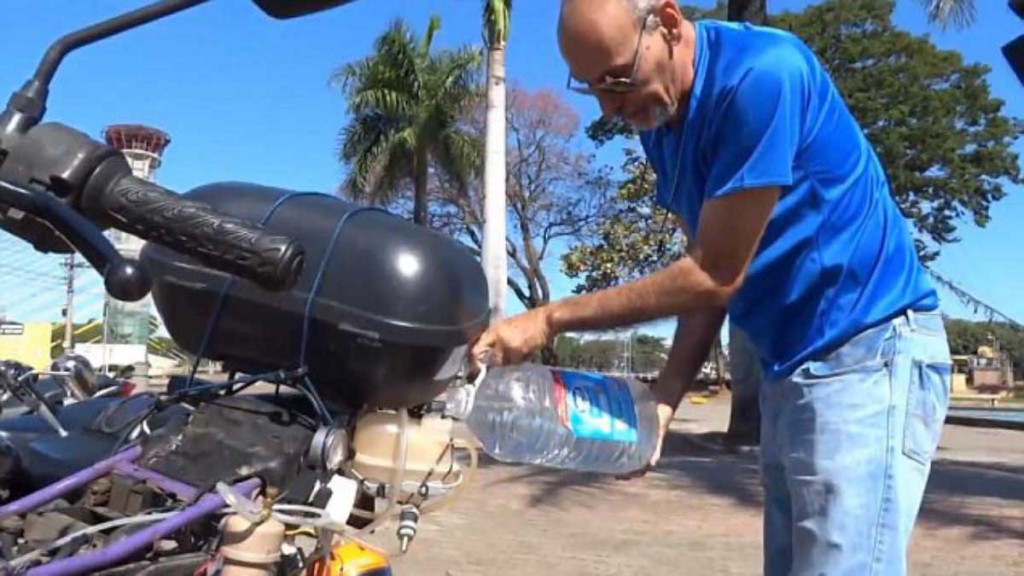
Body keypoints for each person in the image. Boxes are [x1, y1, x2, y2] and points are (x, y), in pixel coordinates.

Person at [468, 1, 953, 574]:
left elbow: (714, 272)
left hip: (867, 350)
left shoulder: (763, 75)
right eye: (593, 89)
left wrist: (549, 318)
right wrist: (665, 402)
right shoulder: (660, 122)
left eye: (618, 81)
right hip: (790, 364)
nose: (611, 107)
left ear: (667, 24)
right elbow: (706, 281)